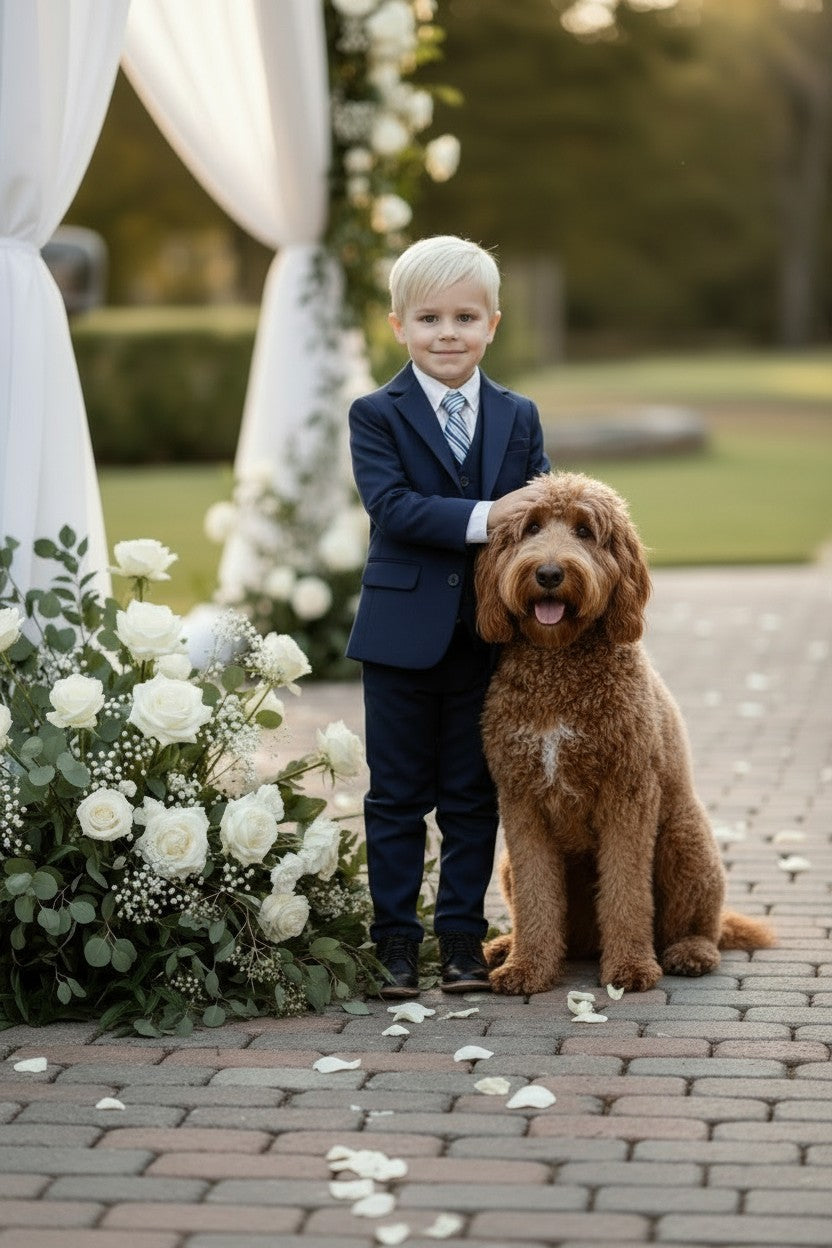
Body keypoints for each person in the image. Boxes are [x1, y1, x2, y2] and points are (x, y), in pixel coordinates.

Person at [347, 235, 549, 997]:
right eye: (429, 317)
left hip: (489, 639)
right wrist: (494, 516)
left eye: (465, 316)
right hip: (399, 641)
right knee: (396, 797)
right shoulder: (377, 414)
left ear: (492, 323)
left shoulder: (518, 415)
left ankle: (462, 939)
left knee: (471, 797)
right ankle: (394, 942)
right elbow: (393, 509)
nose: (448, 333)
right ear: (398, 326)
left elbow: (544, 514)